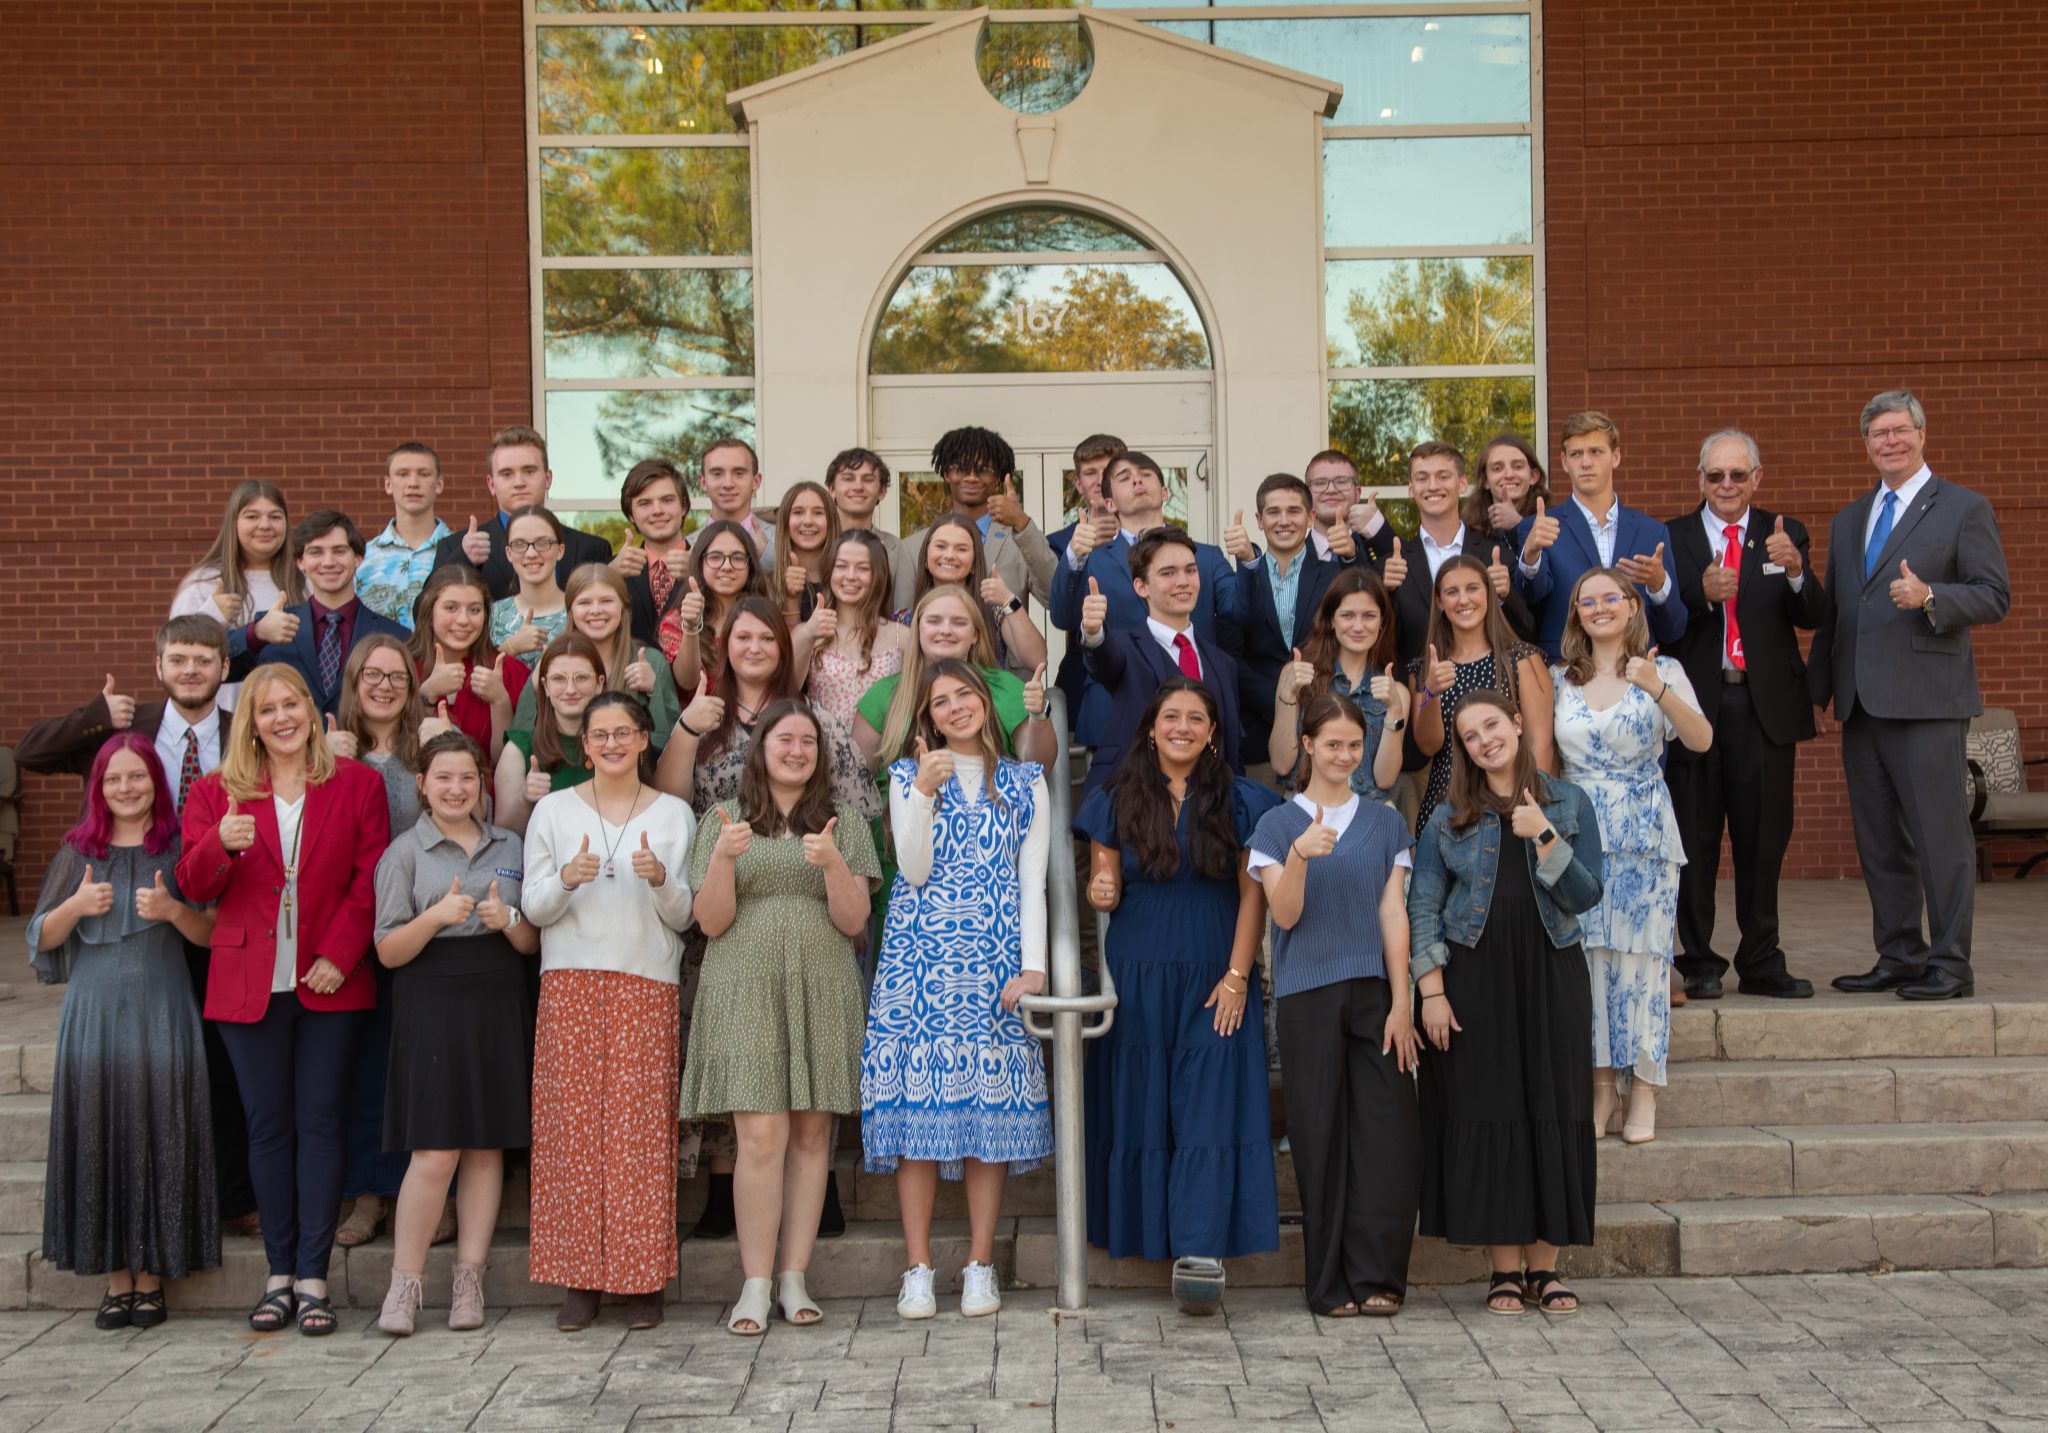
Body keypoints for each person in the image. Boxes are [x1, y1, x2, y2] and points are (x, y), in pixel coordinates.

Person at [13, 617, 258, 1240]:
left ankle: (227, 1197)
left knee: (222, 1067)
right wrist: (93, 714)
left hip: (213, 912)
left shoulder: (245, 732)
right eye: (179, 659)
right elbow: (30, 753)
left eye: (204, 659)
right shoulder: (125, 732)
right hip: (138, 914)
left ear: (224, 668)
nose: (192, 670)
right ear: (160, 666)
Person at [653, 599, 881, 1240]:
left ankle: (806, 1228)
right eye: (742, 637)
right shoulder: (706, 723)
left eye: (767, 637)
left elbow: (857, 821)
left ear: (787, 647)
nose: (754, 647)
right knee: (749, 1088)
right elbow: (673, 808)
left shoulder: (819, 724)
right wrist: (685, 732)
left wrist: (837, 859)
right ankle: (733, 1208)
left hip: (816, 926)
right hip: (732, 917)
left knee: (806, 1101)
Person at [177, 662, 390, 1336]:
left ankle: (313, 1278)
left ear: (312, 710)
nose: (281, 717)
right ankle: (276, 1277)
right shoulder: (217, 793)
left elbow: (370, 875)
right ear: (252, 723)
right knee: (269, 1126)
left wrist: (338, 953)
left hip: (331, 980)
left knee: (322, 1122)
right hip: (247, 984)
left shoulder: (359, 783)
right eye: (266, 709)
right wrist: (221, 844)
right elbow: (193, 883)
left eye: (291, 703)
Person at [1075, 678, 1281, 1311]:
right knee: (1144, 1100)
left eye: (1197, 718)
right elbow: (1103, 882)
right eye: (1172, 716)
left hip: (1217, 965)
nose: (1184, 727)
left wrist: (1239, 976)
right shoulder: (1113, 799)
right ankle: (1149, 1233)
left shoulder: (1246, 801)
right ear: (1151, 726)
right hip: (1138, 966)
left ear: (1213, 732)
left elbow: (1254, 895)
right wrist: (1100, 891)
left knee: (1210, 1104)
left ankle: (1200, 1248)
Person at [682, 700, 881, 1335]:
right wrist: (722, 860)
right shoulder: (724, 820)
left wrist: (831, 867)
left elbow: (855, 924)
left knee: (811, 1139)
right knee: (760, 1138)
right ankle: (755, 1282)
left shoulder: (843, 822)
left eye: (807, 742)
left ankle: (794, 1277)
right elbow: (709, 922)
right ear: (761, 749)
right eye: (784, 740)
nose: (796, 751)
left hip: (821, 985)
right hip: (743, 987)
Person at [863, 661, 1052, 1320]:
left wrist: (1034, 967)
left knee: (988, 1122)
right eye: (940, 701)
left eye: (964, 694)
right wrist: (923, 793)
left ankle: (979, 1263)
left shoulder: (1027, 781)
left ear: (985, 699)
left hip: (996, 963)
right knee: (918, 1121)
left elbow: (1034, 879)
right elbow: (910, 869)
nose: (954, 707)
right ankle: (917, 1266)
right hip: (918, 966)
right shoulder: (908, 776)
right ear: (927, 716)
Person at [1811, 390, 2011, 1002]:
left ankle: (1951, 965)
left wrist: (1931, 597)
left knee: (1941, 839)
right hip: (1863, 705)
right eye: (1878, 434)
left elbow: (1993, 594)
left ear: (1922, 435)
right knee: (1879, 840)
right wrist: (1819, 692)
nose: (1889, 441)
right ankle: (1899, 955)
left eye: (1900, 430)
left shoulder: (1962, 508)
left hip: (1928, 701)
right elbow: (1837, 612)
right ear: (1867, 444)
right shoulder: (1850, 519)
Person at [1410, 692, 1605, 1317]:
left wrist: (1546, 836)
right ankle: (1502, 1270)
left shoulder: (1568, 803)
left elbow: (1586, 894)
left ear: (1518, 725)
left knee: (1553, 1105)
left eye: (1492, 725)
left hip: (1552, 969)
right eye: (1469, 735)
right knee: (1492, 1110)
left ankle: (1545, 1269)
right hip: (1475, 974)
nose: (1484, 740)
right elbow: (1423, 905)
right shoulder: (1449, 815)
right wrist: (1431, 990)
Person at [29, 735, 220, 1331]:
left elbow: (210, 934)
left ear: (155, 783)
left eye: (136, 777)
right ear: (99, 788)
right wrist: (77, 905)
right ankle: (116, 1278)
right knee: (102, 1133)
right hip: (94, 1017)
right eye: (114, 779)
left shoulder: (178, 848)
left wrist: (172, 912)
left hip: (163, 1012)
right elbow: (39, 937)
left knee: (163, 1132)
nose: (126, 788)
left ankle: (153, 1277)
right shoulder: (77, 851)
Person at [522, 692, 697, 1332]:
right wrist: (566, 878)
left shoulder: (676, 815)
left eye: (624, 732)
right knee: (572, 1132)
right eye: (600, 734)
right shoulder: (553, 810)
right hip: (569, 980)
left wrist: (660, 880)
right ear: (585, 744)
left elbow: (687, 916)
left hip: (645, 978)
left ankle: (641, 1277)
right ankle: (580, 1280)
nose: (613, 743)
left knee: (639, 1134)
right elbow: (534, 907)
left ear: (644, 739)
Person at [1248, 693, 1420, 1317]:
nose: (1345, 755)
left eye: (1354, 745)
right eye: (1333, 745)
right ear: (1308, 746)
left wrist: (1402, 1001)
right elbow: (1285, 915)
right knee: (1319, 1138)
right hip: (1306, 995)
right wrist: (1298, 855)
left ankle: (1377, 1275)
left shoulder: (1384, 822)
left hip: (1375, 991)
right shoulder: (1276, 825)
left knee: (1384, 1135)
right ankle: (1326, 1286)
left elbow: (1392, 911)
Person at [371, 731, 539, 1335]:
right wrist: (436, 917)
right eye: (443, 777)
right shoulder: (404, 854)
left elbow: (530, 943)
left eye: (467, 777)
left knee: (486, 1146)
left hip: (496, 994)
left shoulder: (510, 844)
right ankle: (405, 1284)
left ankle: (469, 1280)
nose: (456, 789)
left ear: (482, 783)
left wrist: (509, 919)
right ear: (422, 783)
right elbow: (387, 950)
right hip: (430, 997)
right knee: (436, 1149)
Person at [1551, 568, 1711, 1145]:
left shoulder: (1662, 670)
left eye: (1610, 598)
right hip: (1578, 834)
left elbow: (1701, 740)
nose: (1599, 608)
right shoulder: (1559, 679)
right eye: (1586, 600)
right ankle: (1600, 1089)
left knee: (1643, 963)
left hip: (1643, 831)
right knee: (1588, 963)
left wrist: (1656, 688)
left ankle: (1642, 1087)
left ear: (1631, 606)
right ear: (1576, 612)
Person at [1665, 430, 1825, 1001]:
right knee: (1695, 839)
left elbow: (1813, 616)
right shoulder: (1674, 537)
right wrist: (1700, 594)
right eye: (1716, 476)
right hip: (1697, 711)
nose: (1727, 486)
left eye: (1738, 475)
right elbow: (1659, 623)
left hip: (1765, 710)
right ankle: (1700, 961)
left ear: (1757, 477)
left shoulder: (1785, 534)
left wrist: (1799, 571)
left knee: (1764, 839)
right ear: (1699, 479)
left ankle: (1761, 959)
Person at [326, 635, 437, 1254]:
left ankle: (423, 1195)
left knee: (417, 1071)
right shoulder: (328, 749)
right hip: (351, 933)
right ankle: (368, 1194)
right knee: (366, 1069)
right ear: (354, 680)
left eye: (398, 676)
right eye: (374, 675)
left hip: (421, 928)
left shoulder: (428, 746)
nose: (386, 686)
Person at [1052, 450, 1242, 746]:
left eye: (1145, 474)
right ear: (1110, 503)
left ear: (1165, 492)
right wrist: (1074, 556)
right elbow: (1063, 617)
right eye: (1125, 478)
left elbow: (1241, 612)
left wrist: (1249, 560)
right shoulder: (1093, 560)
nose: (1137, 480)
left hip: (1197, 711)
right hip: (1116, 712)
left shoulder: (1206, 556)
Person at [1075, 529, 1244, 795]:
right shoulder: (1124, 647)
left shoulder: (1223, 663)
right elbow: (1104, 658)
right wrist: (1093, 631)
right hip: (1133, 806)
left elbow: (1230, 750)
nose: (1183, 581)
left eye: (1190, 571)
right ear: (1141, 586)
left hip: (1209, 812)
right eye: (1168, 573)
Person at [1515, 413, 1685, 659]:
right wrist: (1530, 554)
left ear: (1616, 456)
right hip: (1568, 671)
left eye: (1596, 452)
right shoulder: (1540, 527)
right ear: (1564, 462)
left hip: (1635, 674)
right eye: (1576, 454)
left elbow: (1674, 630)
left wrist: (1660, 586)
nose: (1586, 463)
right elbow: (1528, 601)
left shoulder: (1652, 532)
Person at [1218, 473, 1351, 780]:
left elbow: (1347, 647)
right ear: (1259, 520)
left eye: (1294, 511)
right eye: (1273, 512)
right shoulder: (1239, 577)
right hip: (1259, 740)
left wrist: (1311, 706)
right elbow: (1231, 657)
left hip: (1325, 733)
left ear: (1311, 517)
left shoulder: (1336, 576)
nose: (1284, 521)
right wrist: (1282, 702)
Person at [1412, 556, 1555, 832]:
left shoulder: (1522, 660)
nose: (1463, 600)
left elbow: (1540, 744)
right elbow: (1428, 746)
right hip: (1447, 806)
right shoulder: (1427, 667)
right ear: (1440, 602)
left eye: (1472, 588)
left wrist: (1531, 807)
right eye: (1452, 592)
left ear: (1488, 594)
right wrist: (1430, 692)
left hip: (1510, 804)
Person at [853, 585, 1055, 771]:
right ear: (918, 629)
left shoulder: (1005, 687)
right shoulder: (883, 694)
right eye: (934, 621)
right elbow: (858, 780)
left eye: (959, 622)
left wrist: (1039, 716)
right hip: (900, 808)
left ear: (975, 635)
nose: (946, 630)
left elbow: (1039, 766)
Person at [226, 512, 409, 718]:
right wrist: (256, 633)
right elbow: (217, 669)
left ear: (358, 558)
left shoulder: (396, 636)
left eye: (339, 551)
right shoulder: (273, 628)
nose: (328, 562)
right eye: (316, 552)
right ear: (300, 562)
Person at [1387, 441, 1534, 666]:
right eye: (1422, 478)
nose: (1432, 486)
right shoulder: (1395, 565)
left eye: (1443, 476)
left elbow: (1528, 631)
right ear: (1411, 488)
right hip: (1419, 693)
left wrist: (1506, 595)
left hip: (1485, 692)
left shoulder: (1496, 556)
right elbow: (1383, 642)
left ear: (1463, 484)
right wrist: (1387, 593)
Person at [1267, 567, 1406, 803]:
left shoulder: (1395, 691)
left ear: (1382, 622)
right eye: (1348, 615)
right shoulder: (1297, 674)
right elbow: (1281, 764)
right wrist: (1289, 694)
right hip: (1305, 809)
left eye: (1369, 616)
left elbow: (1385, 780)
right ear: (1331, 619)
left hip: (1368, 813)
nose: (1358, 626)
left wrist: (1394, 709)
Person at [511, 564, 680, 748]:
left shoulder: (651, 662)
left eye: (606, 601)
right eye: (584, 603)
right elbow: (520, 740)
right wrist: (537, 692)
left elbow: (671, 745)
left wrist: (653, 691)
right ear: (570, 610)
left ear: (623, 606)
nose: (596, 610)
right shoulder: (551, 663)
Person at [431, 427, 611, 599]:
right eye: (507, 474)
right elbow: (423, 613)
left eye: (529, 471)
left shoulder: (592, 549)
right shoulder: (454, 548)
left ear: (547, 479)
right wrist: (464, 560)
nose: (519, 482)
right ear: (491, 484)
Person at [894, 425, 1057, 612]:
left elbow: (1055, 599)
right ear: (947, 473)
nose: (971, 478)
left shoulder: (1020, 542)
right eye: (961, 469)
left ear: (996, 477)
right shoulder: (913, 548)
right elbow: (902, 624)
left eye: (982, 469)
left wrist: (1021, 522)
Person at [903, 512, 1048, 678]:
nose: (949, 555)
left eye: (961, 549)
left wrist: (1008, 599)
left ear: (974, 562)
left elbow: (1038, 660)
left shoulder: (992, 610)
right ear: (925, 558)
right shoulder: (906, 618)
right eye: (941, 546)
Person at [411, 564, 526, 761]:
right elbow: (392, 750)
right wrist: (426, 695)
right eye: (450, 608)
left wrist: (500, 701)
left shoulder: (509, 672)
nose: (463, 620)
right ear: (429, 613)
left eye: (474, 609)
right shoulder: (403, 667)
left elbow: (507, 764)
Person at [1046, 434, 1125, 716]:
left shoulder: (1154, 539)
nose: (1100, 480)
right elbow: (1063, 615)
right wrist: (1082, 553)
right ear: (1079, 483)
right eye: (1091, 473)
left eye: (1109, 471)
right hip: (1082, 679)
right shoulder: (1056, 543)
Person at [494, 634, 604, 836]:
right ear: (544, 686)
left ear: (599, 684)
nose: (570, 689)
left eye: (581, 678)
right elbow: (503, 837)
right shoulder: (519, 748)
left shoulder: (617, 744)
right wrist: (525, 798)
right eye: (558, 679)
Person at [805, 530, 909, 732]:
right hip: (822, 755)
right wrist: (806, 634)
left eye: (862, 568)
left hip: (882, 757)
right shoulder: (809, 632)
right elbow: (786, 690)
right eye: (841, 566)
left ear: (878, 575)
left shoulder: (903, 637)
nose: (850, 576)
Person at [661, 518, 771, 695]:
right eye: (715, 557)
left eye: (737, 558)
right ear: (700, 563)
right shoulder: (677, 619)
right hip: (698, 719)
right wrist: (691, 626)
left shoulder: (767, 617)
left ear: (750, 565)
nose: (726, 566)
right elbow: (687, 683)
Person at [170, 479, 297, 631]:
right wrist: (212, 615)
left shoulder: (306, 581)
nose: (265, 525)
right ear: (233, 523)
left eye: (275, 517)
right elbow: (177, 646)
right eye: (252, 517)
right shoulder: (204, 583)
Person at [356, 441, 451, 630]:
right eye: (403, 474)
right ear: (388, 484)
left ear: (439, 484)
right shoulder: (362, 558)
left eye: (424, 474)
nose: (413, 483)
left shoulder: (460, 550)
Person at [612, 458, 693, 647]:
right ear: (630, 514)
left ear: (684, 506)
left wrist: (701, 573)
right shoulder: (614, 569)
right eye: (644, 503)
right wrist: (609, 576)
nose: (657, 511)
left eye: (667, 500)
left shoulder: (711, 565)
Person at [488, 506, 571, 671]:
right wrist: (512, 646)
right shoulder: (492, 615)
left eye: (542, 542)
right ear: (508, 553)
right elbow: (475, 677)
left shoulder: (579, 611)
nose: (531, 553)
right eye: (519, 544)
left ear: (560, 550)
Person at [825, 448, 902, 589]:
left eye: (868, 480)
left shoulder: (898, 551)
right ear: (832, 489)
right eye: (848, 479)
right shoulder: (817, 543)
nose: (858, 487)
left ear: (882, 491)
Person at [771, 480, 839, 627]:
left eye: (818, 513)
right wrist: (791, 598)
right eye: (798, 512)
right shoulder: (766, 585)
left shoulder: (846, 581)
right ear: (785, 522)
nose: (808, 521)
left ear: (830, 521)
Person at [698, 437, 777, 558]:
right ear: (703, 482)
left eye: (739, 473)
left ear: (756, 481)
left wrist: (767, 557)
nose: (728, 484)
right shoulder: (686, 546)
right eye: (717, 474)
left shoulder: (783, 540)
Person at [1464, 434, 1548, 546]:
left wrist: (1518, 524)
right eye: (1497, 468)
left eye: (1518, 466)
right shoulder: (1468, 531)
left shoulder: (1555, 522)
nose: (1509, 475)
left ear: (1533, 476)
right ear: (1485, 481)